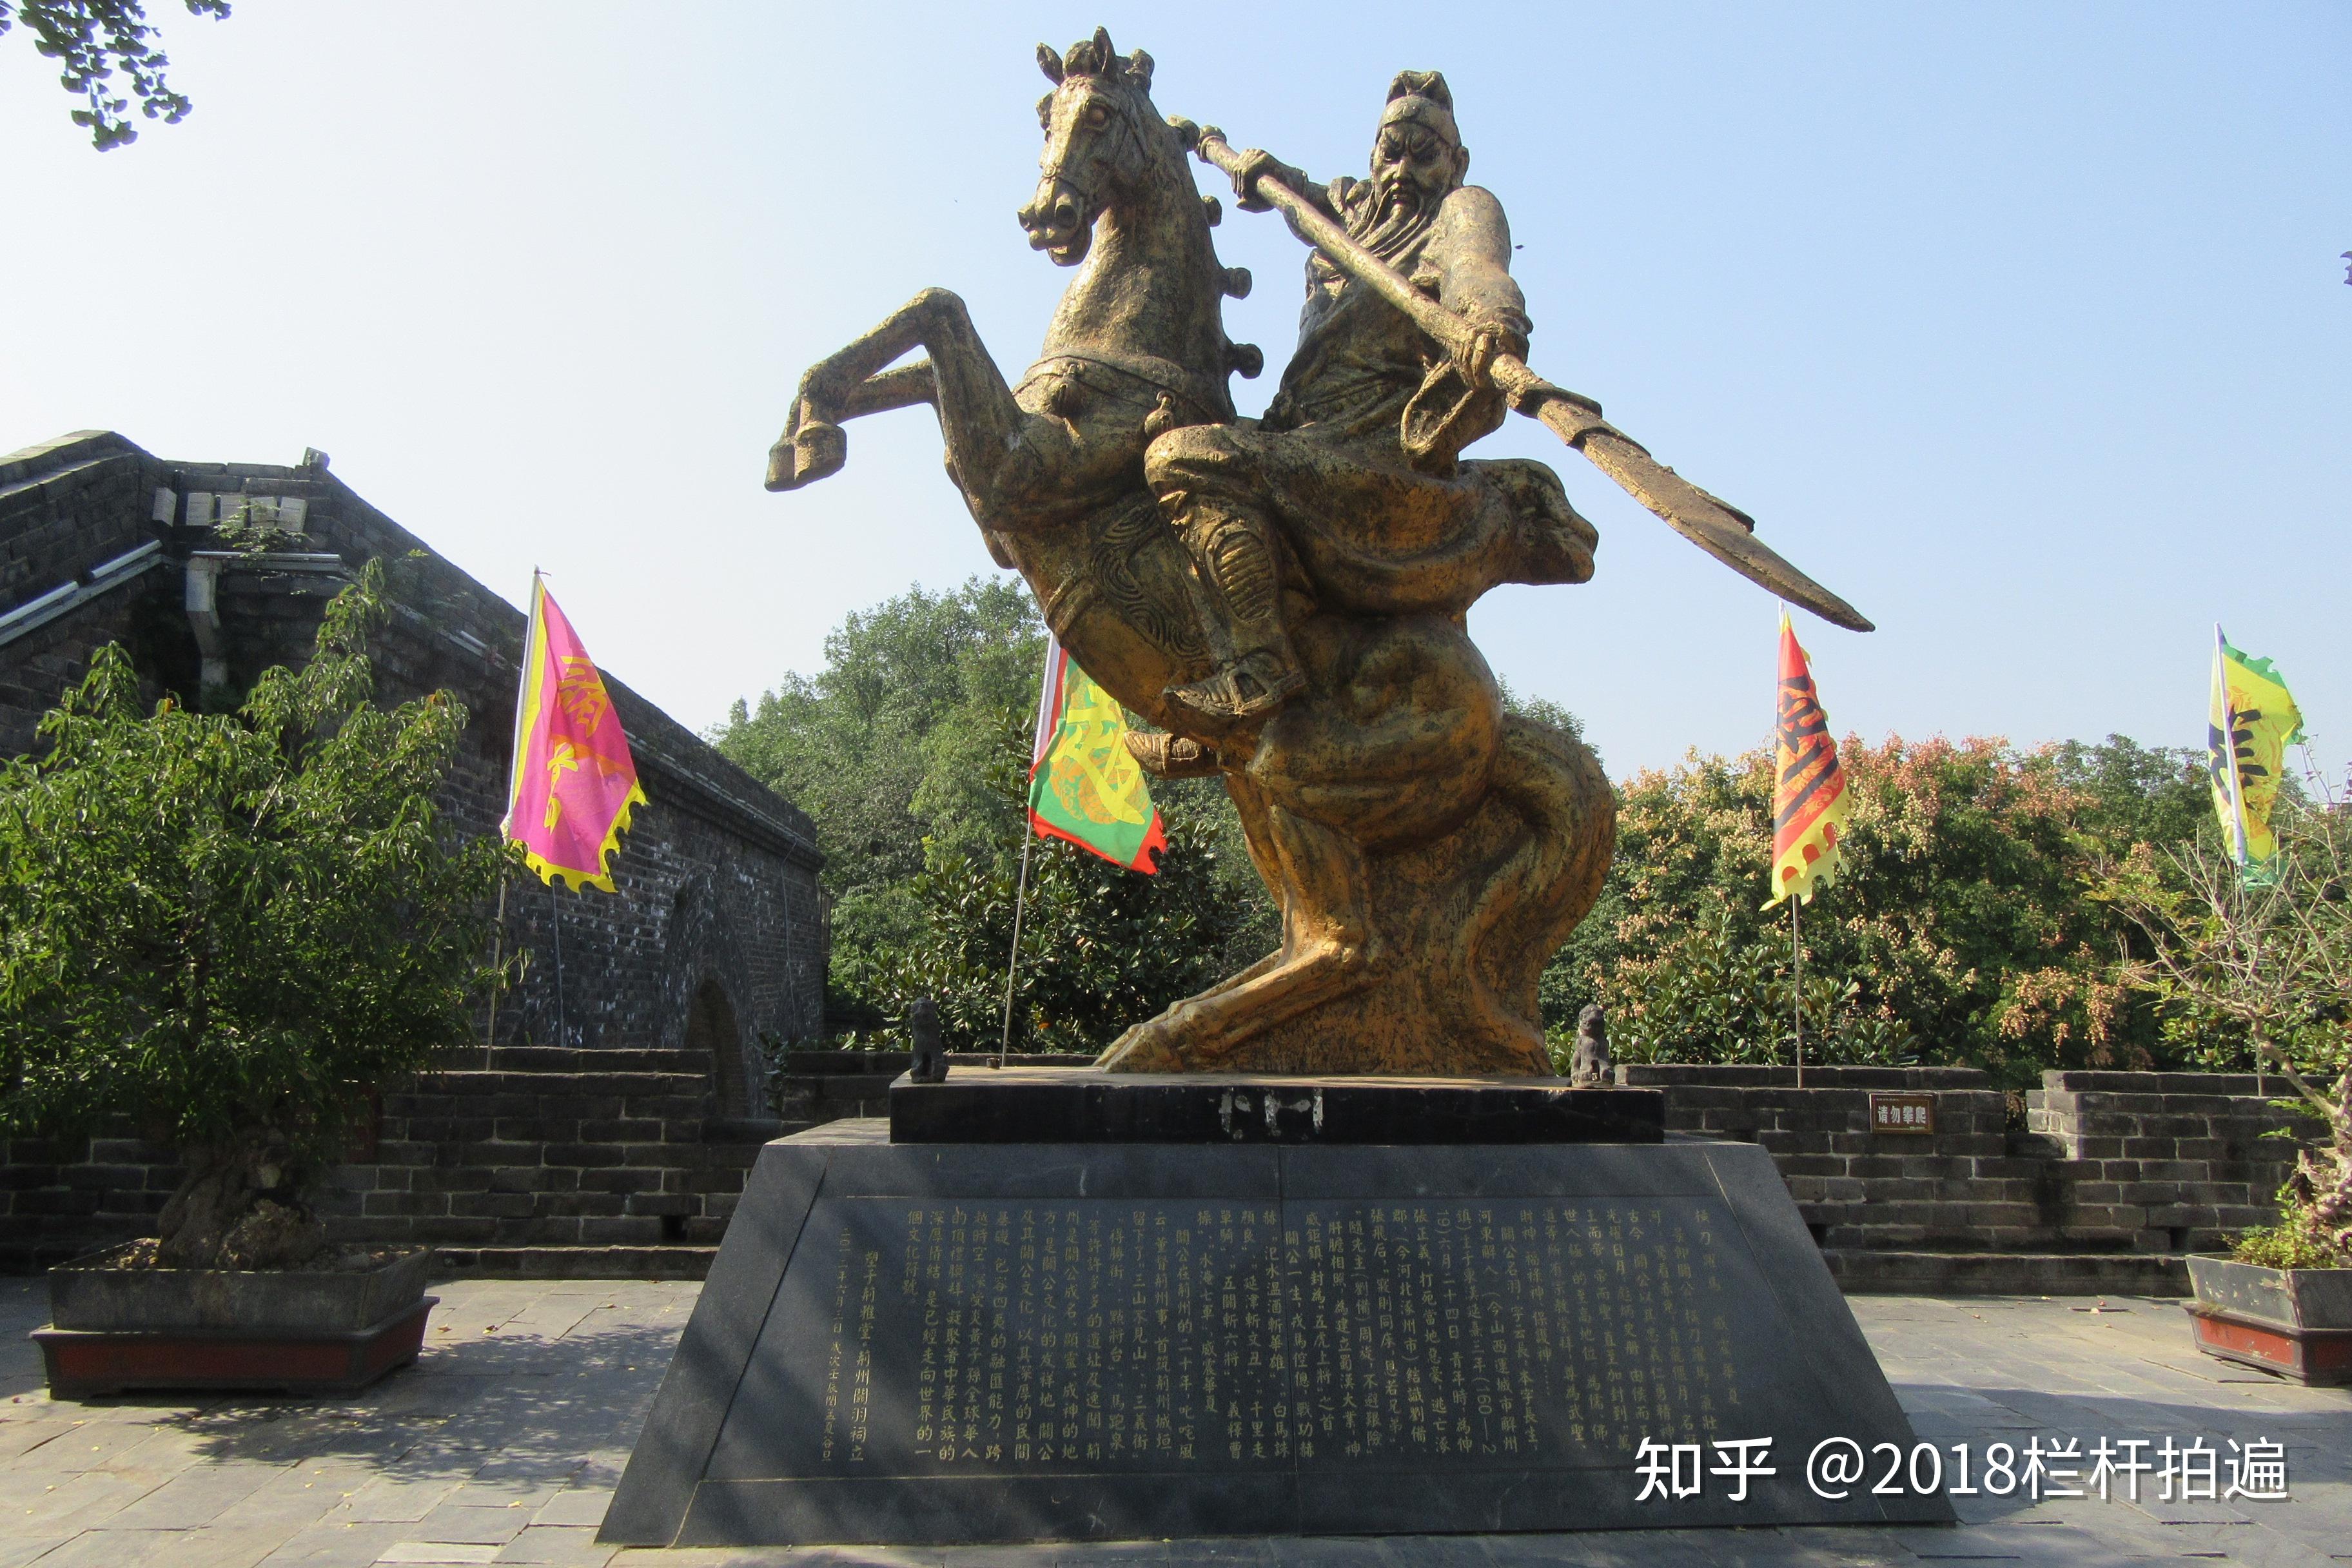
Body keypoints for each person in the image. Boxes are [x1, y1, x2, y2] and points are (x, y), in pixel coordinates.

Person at [1148, 69, 1540, 725]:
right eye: (1392, 152)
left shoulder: (1460, 211)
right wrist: (1249, 165)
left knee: (1183, 459)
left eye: (1425, 154)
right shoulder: (1354, 210)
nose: (1403, 171)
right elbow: (1301, 194)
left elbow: (1479, 270)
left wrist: (1493, 322)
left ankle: (1263, 666)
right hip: (1299, 435)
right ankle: (1220, 690)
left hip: (1373, 450)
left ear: (1458, 162)